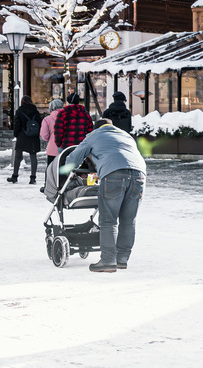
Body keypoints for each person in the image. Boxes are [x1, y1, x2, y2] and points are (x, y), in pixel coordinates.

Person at [58, 116, 147, 272]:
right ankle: (122, 259)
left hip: (113, 174)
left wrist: (69, 172)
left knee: (108, 219)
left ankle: (108, 261)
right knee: (128, 220)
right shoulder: (126, 135)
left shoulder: (94, 135)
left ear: (96, 127)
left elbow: (73, 158)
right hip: (139, 175)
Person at [8, 96, 43, 184]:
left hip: (22, 135)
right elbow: (39, 123)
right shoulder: (35, 111)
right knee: (33, 156)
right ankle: (33, 178)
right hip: (33, 136)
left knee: (18, 156)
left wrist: (16, 134)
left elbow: (17, 124)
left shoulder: (20, 111)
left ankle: (15, 176)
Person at [40, 103, 59, 168]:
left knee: (50, 170)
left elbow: (44, 135)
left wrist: (49, 139)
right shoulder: (67, 118)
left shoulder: (47, 119)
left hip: (52, 149)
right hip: (65, 148)